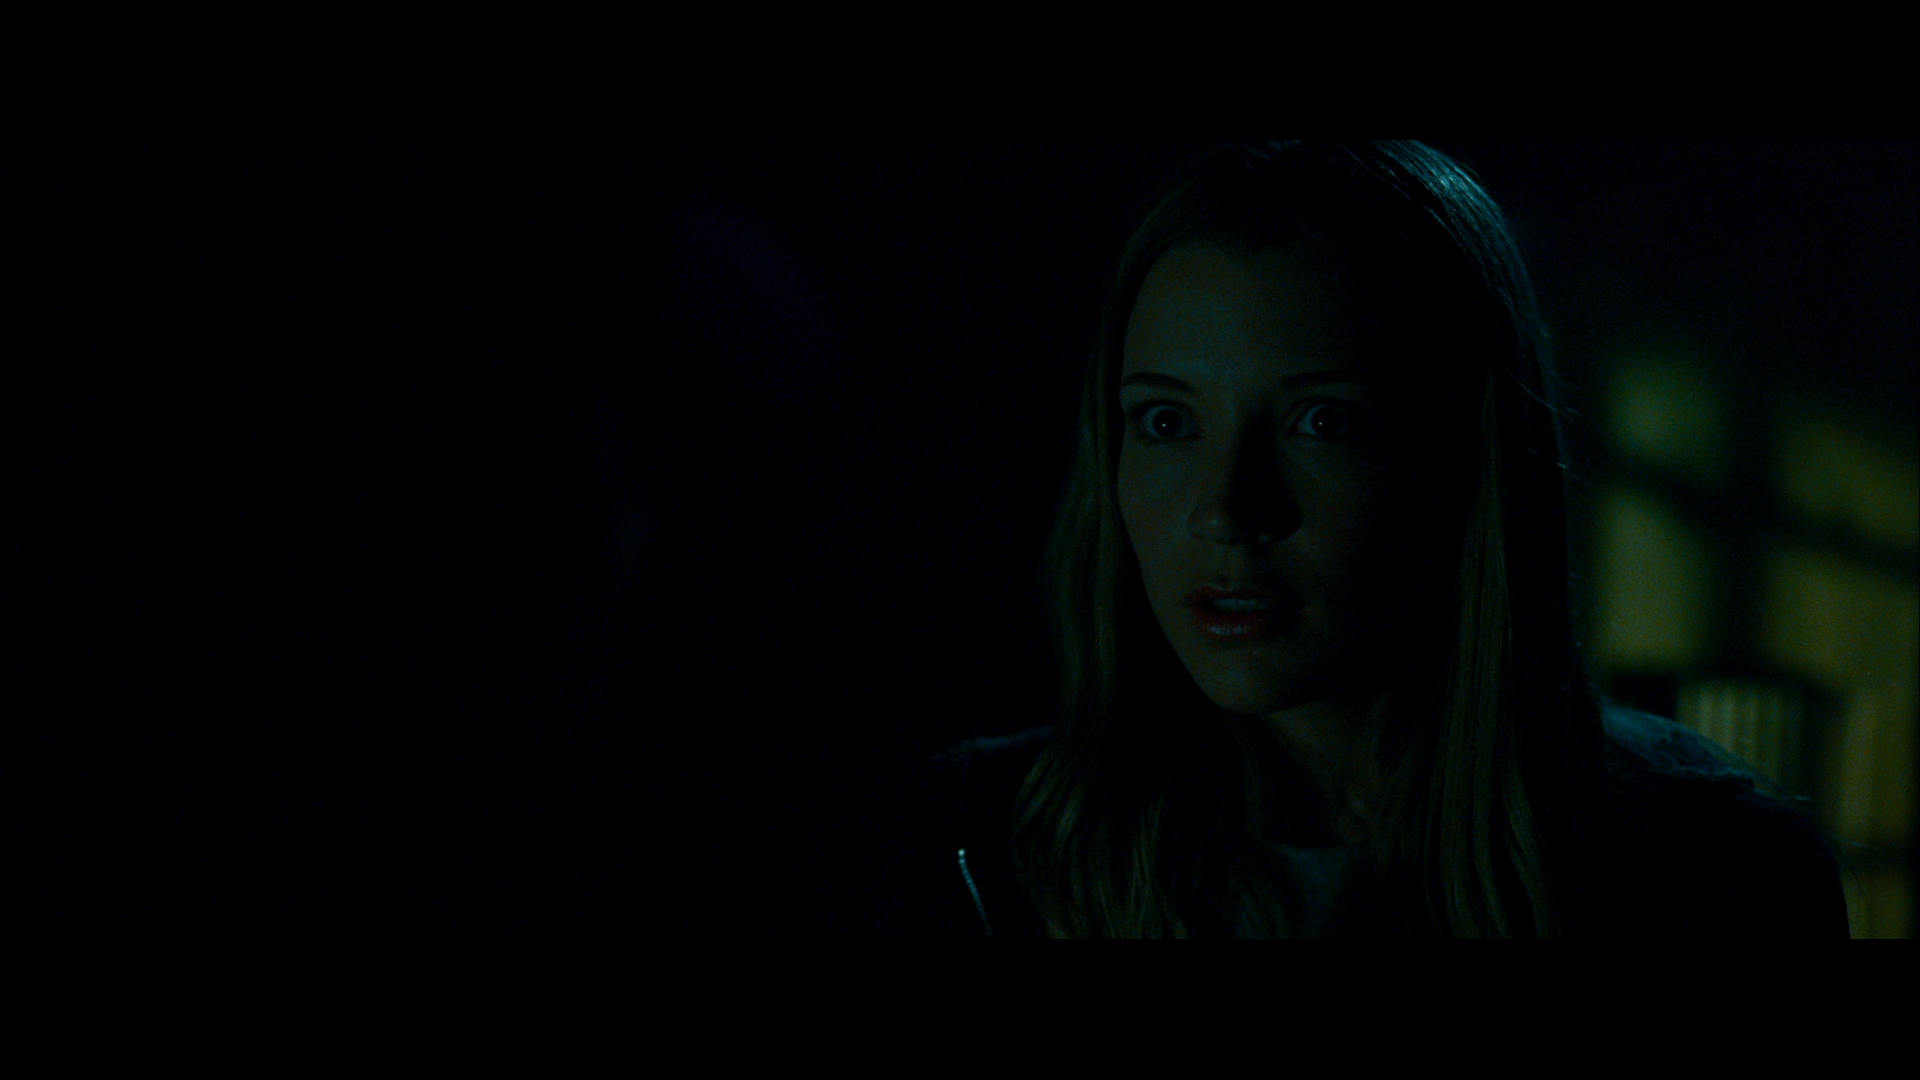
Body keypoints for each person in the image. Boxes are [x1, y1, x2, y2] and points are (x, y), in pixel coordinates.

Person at [880, 141, 1847, 938]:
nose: (1229, 509)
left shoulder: (1711, 867)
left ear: (1463, 455)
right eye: (1168, 422)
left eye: (1322, 422)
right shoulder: (974, 844)